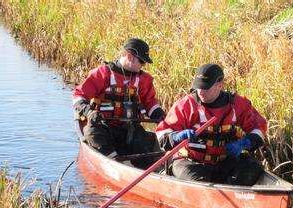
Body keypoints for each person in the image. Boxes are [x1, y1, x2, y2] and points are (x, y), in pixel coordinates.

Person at [156, 63, 267, 186]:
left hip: (224, 163)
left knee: (253, 167)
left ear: (220, 85)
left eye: (206, 87)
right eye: (198, 87)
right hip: (190, 162)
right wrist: (176, 136)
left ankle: (230, 190)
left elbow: (259, 128)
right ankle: (214, 193)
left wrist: (245, 143)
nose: (201, 92)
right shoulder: (186, 105)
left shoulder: (238, 105)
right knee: (198, 184)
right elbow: (162, 135)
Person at [73, 38, 165, 167]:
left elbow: (150, 104)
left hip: (130, 130)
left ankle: (149, 168)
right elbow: (79, 95)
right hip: (103, 127)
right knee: (93, 133)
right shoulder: (103, 74)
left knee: (146, 144)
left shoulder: (144, 80)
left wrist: (161, 117)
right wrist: (89, 112)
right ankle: (116, 162)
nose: (143, 65)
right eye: (142, 61)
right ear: (129, 57)